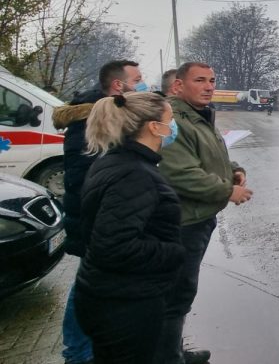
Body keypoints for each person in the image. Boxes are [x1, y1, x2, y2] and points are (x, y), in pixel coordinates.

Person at [74, 92, 185, 364]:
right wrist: (173, 252)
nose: (172, 128)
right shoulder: (134, 174)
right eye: (169, 120)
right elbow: (113, 246)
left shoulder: (116, 162)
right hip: (125, 304)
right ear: (154, 127)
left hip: (107, 295)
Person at [155, 62, 253, 364]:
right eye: (200, 80)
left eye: (212, 80)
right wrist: (227, 191)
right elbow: (180, 172)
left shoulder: (197, 114)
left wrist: (233, 169)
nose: (209, 86)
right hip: (183, 220)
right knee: (176, 295)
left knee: (182, 293)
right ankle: (168, 359)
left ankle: (174, 352)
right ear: (178, 86)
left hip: (197, 217)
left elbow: (210, 152)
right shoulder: (171, 119)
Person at [53, 60, 145, 364]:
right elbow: (85, 177)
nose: (142, 84)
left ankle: (91, 348)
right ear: (119, 85)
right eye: (138, 79)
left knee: (96, 285)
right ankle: (77, 354)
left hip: (103, 218)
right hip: (93, 219)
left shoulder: (111, 114)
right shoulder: (91, 120)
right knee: (86, 287)